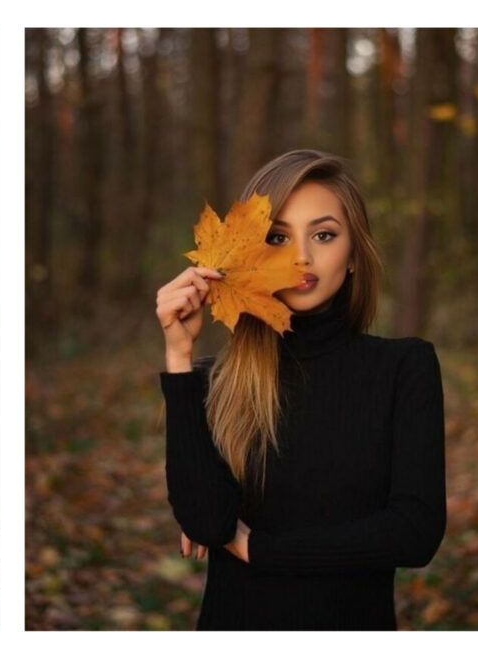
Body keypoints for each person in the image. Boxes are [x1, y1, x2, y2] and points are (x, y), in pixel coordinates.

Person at [156, 149, 446, 630]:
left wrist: (261, 549)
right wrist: (178, 359)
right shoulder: (213, 382)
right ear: (249, 252)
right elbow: (208, 523)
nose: (301, 257)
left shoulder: (403, 367)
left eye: (324, 235)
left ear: (353, 254)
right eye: (277, 237)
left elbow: (415, 534)